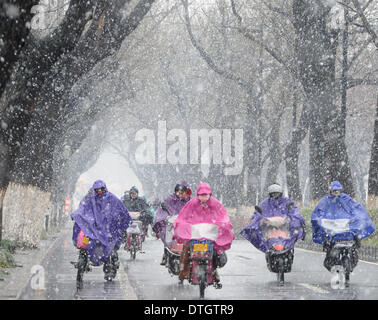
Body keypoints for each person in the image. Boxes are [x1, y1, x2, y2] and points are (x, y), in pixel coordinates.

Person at [173, 182, 234, 288]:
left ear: (210, 194)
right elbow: (184, 216)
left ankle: (214, 272)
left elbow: (222, 216)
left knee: (216, 253)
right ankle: (183, 273)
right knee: (186, 252)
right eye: (201, 195)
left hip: (210, 235)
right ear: (197, 195)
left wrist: (223, 224)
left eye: (205, 195)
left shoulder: (215, 203)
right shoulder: (192, 203)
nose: (203, 198)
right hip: (195, 235)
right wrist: (182, 224)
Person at [71, 180, 132, 281]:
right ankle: (83, 261)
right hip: (92, 230)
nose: (99, 191)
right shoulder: (90, 199)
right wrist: (77, 215)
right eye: (97, 190)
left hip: (107, 230)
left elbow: (121, 210)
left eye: (101, 189)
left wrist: (117, 220)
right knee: (83, 244)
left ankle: (109, 269)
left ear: (105, 188)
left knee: (110, 250)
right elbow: (83, 209)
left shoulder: (111, 199)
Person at [311, 181, 375, 272]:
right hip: (332, 230)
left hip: (346, 228)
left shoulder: (346, 199)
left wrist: (358, 218)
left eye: (337, 191)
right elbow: (319, 212)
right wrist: (321, 220)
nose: (336, 193)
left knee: (354, 239)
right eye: (334, 191)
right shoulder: (326, 200)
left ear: (341, 190)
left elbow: (355, 209)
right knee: (328, 246)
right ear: (330, 191)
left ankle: (354, 245)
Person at [240, 183, 306, 254]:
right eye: (273, 194)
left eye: (277, 193)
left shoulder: (288, 202)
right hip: (270, 230)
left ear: (281, 193)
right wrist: (256, 222)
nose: (275, 196)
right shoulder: (265, 203)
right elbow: (257, 215)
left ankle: (289, 250)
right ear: (270, 194)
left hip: (285, 230)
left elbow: (295, 213)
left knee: (293, 234)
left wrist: (294, 221)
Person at [152, 182, 191, 265]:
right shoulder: (170, 199)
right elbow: (165, 209)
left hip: (184, 224)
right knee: (167, 234)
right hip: (171, 223)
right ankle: (166, 253)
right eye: (178, 193)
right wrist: (166, 217)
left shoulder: (189, 201)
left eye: (182, 193)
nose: (180, 195)